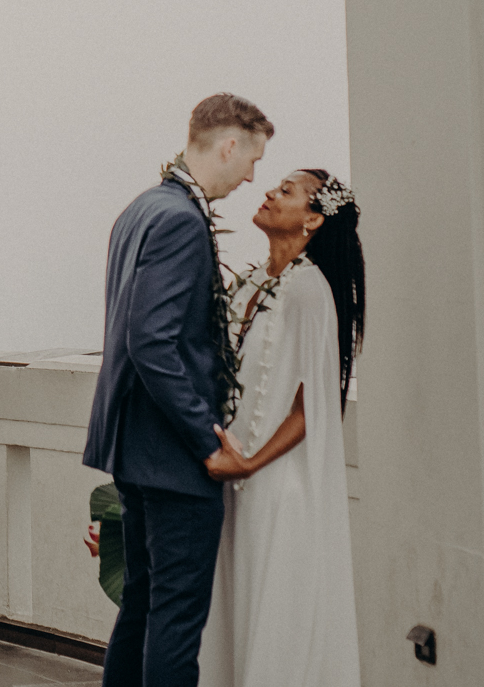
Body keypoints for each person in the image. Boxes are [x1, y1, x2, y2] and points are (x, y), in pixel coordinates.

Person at [84, 94, 272, 687]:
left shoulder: (142, 209)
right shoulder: (179, 221)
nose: (251, 176)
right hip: (172, 457)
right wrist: (206, 439)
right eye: (253, 159)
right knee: (175, 617)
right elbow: (152, 343)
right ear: (228, 145)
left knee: (141, 605)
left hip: (134, 451)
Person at [195, 169, 367, 687]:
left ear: (313, 219)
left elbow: (313, 404)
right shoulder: (252, 283)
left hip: (274, 486)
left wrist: (249, 461)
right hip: (233, 484)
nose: (269, 192)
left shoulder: (310, 290)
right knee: (234, 619)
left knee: (275, 626)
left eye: (286, 191)